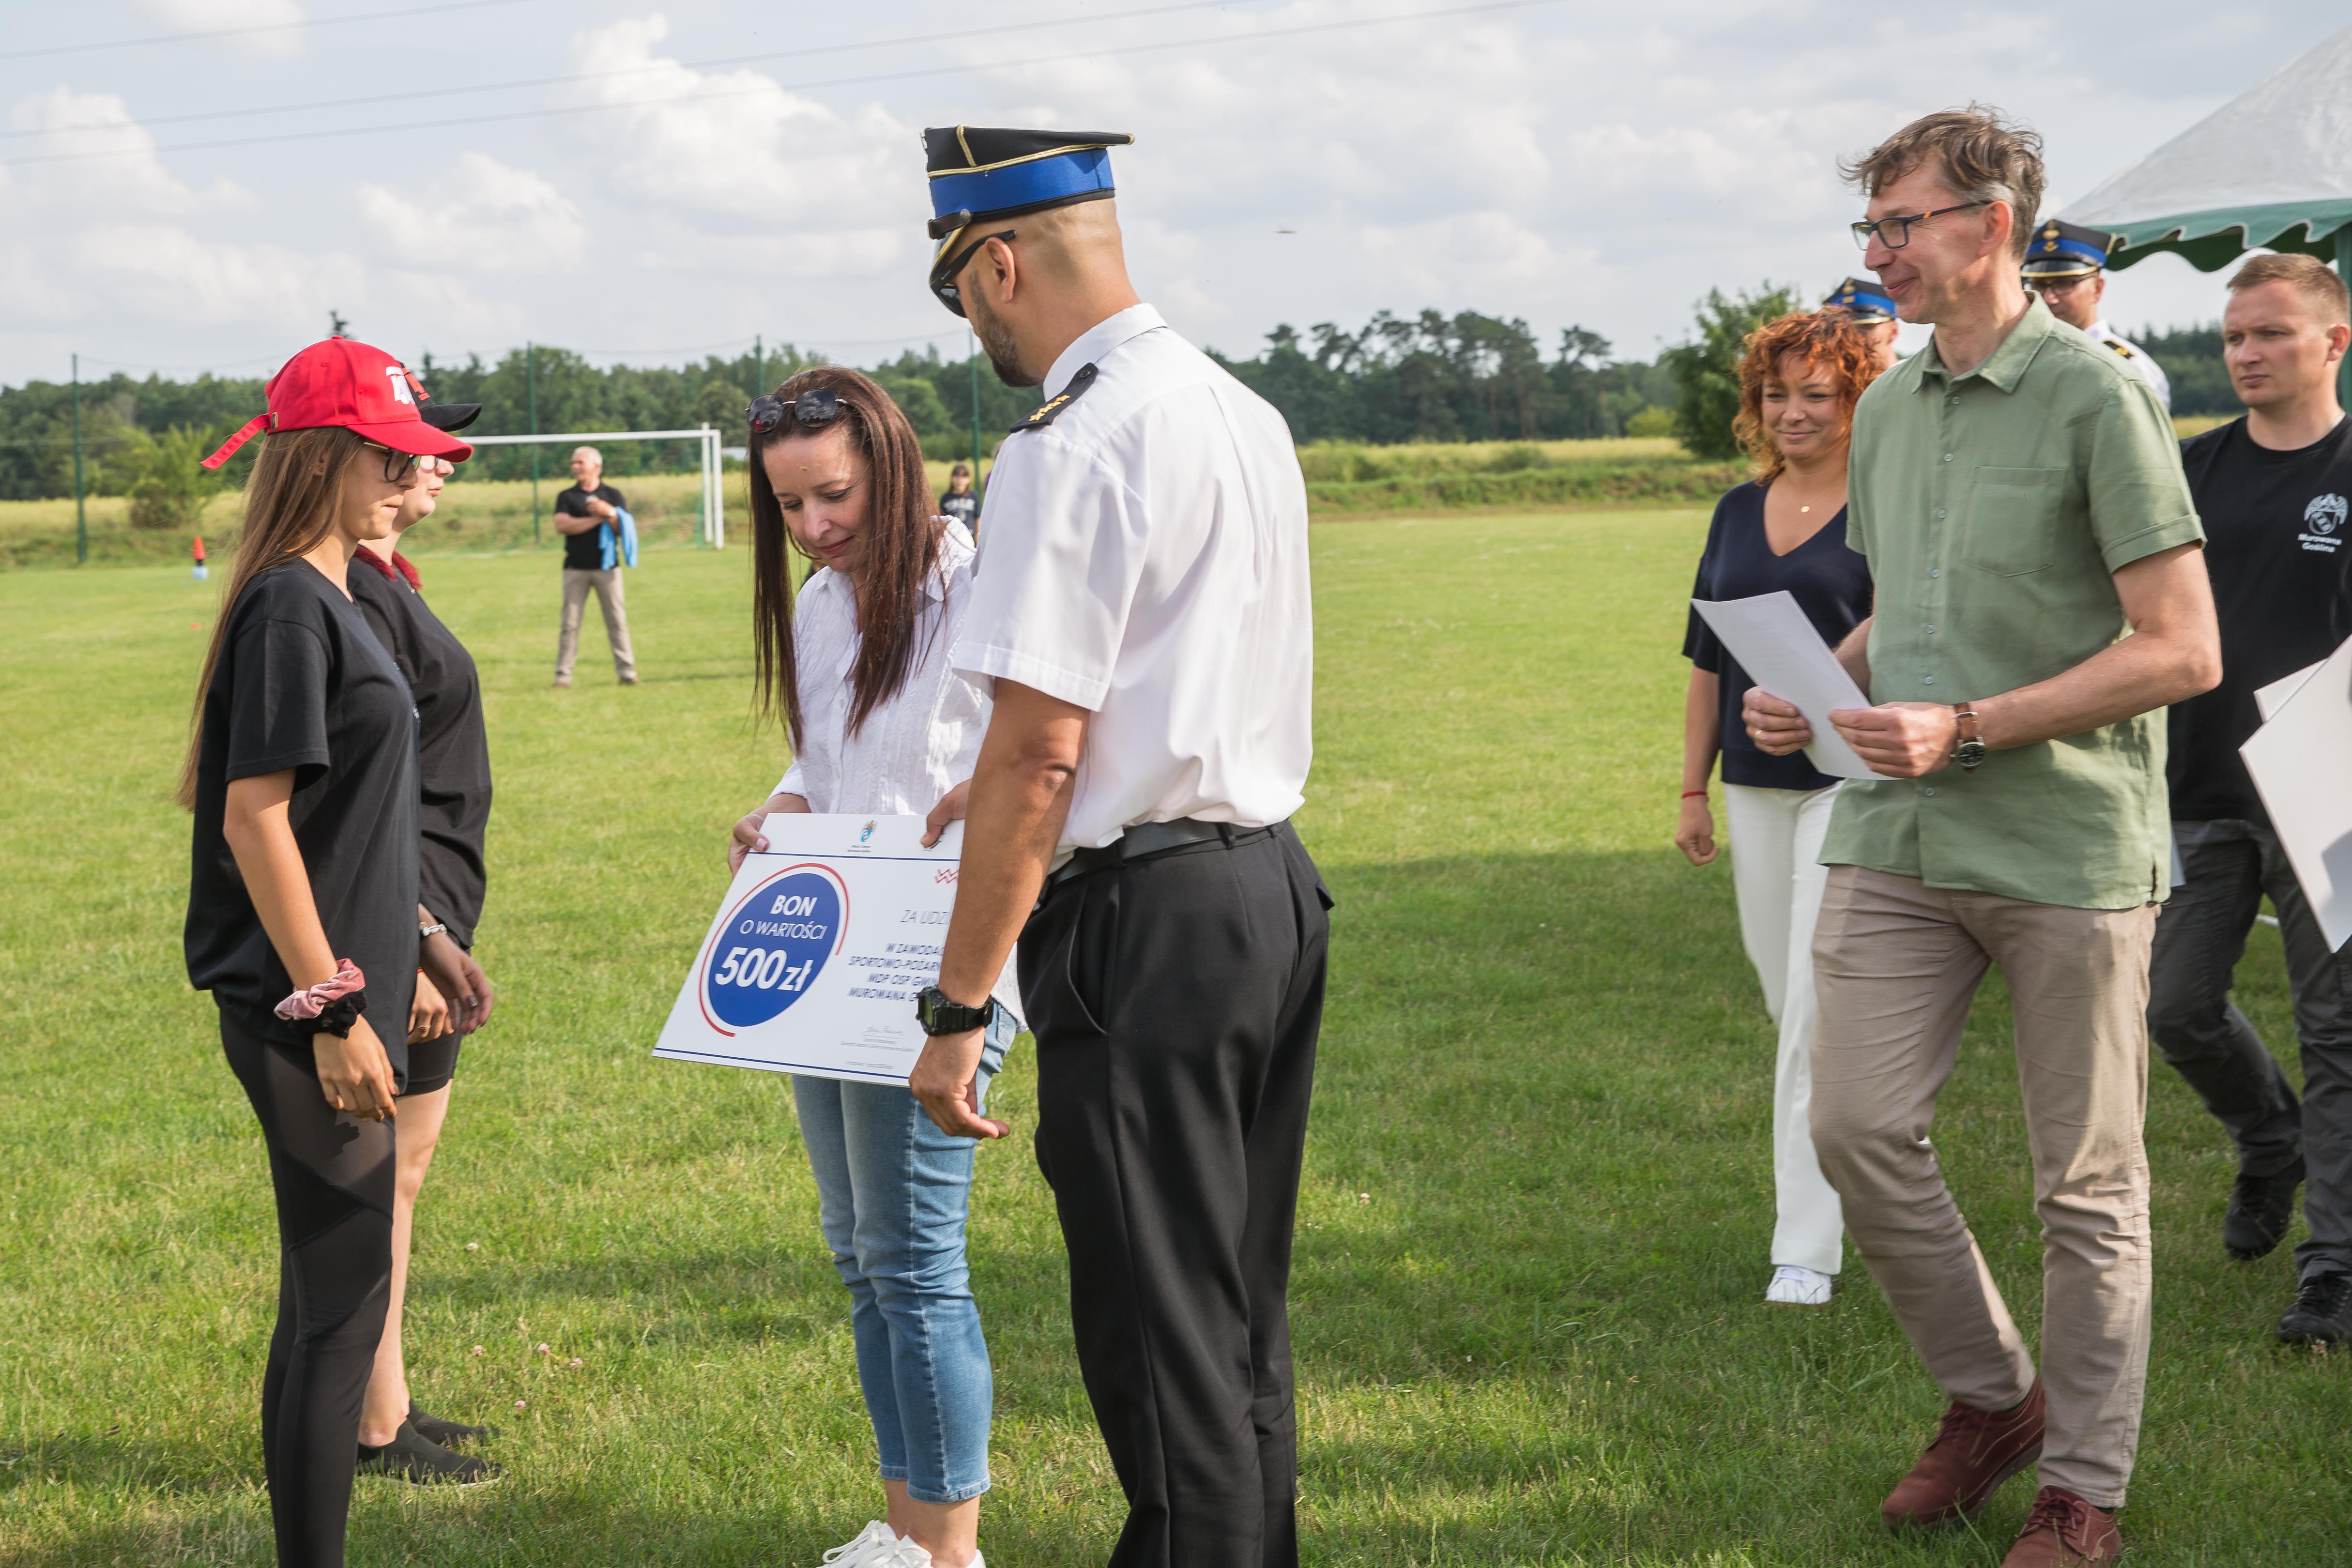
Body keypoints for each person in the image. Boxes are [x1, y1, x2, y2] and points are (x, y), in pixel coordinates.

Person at [1748, 107, 2217, 1567]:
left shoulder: (2093, 398)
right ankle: (1989, 1396)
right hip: (1891, 827)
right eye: (1868, 230)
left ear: (1988, 226)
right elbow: (1917, 607)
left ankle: (2081, 1486)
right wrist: (1825, 690)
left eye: (1896, 226)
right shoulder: (1884, 405)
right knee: (1849, 1126)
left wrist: (1972, 721)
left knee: (2082, 1180)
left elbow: (2179, 647)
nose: (1875, 254)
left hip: (2064, 844)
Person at [905, 125, 1327, 1568]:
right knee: (1233, 1313)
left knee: (1161, 1342)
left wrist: (958, 1009)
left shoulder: (1072, 438)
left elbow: (1038, 753)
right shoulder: (1233, 406)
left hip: (1142, 923)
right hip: (1262, 884)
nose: (971, 322)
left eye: (960, 288)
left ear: (1000, 259)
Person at [182, 337, 473, 1566]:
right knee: (340, 1313)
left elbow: (342, 812)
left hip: (350, 983)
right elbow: (255, 816)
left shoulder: (334, 591)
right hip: (311, 1013)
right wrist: (332, 1006)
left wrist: (419, 935)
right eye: (397, 453)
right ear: (337, 455)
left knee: (325, 1303)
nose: (412, 473)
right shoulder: (292, 605)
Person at [724, 367, 1022, 1568]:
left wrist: (986, 797)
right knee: (861, 1256)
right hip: (836, 962)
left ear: (890, 465)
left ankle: (950, 1551)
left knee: (916, 1258)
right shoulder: (820, 605)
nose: (813, 527)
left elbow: (1035, 760)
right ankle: (903, 1533)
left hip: (944, 960)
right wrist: (774, 813)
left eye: (831, 495)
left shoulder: (986, 587)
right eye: (789, 506)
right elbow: (826, 770)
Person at [2151, 252, 2352, 1347]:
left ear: (2334, 341)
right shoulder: (2195, 471)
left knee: (2338, 1030)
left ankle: (2332, 1268)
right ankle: (2267, 1138)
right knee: (2173, 1006)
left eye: (2270, 332)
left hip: (2330, 791)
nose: (2246, 353)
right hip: (2201, 783)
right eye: (2234, 335)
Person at [1678, 308, 1881, 1308]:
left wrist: (1821, 696)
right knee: (1783, 1000)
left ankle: (1803, 1247)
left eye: (1816, 393)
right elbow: (1703, 660)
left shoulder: (1887, 502)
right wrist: (1689, 788)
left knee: (1807, 1009)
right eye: (1776, 392)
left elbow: (1910, 627)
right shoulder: (1731, 510)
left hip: (1849, 783)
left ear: (1854, 400)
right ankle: (1880, 1148)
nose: (1792, 411)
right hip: (1750, 789)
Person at [343, 380, 503, 1483]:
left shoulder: (383, 579)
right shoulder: (343, 589)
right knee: (376, 1179)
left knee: (402, 1171)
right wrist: (415, 928)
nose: (442, 462)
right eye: (421, 447)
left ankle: (387, 1404)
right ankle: (368, 1424)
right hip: (405, 923)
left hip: (429, 919)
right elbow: (354, 788)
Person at [2021, 220, 2171, 412]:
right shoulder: (2029, 358)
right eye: (2039, 286)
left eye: (2065, 284)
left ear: (2098, 288)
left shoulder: (2128, 367)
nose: (2049, 298)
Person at [551, 444, 639, 688]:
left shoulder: (613, 495)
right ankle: (563, 677)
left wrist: (610, 512)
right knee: (570, 624)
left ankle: (627, 673)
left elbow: (623, 530)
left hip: (609, 568)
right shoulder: (567, 497)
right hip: (575, 568)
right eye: (573, 463)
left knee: (617, 622)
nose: (575, 467)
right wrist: (598, 518)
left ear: (596, 466)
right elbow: (562, 525)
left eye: (580, 463)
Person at [1824, 276, 1902, 370]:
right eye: (1843, 330)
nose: (1853, 337)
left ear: (1894, 331)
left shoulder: (1915, 381)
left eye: (1865, 327)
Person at [938, 461, 980, 530]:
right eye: (957, 476)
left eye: (964, 476)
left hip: (970, 536)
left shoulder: (973, 496)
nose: (960, 480)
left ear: (969, 479)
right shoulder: (946, 498)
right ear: (952, 478)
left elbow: (978, 518)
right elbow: (942, 521)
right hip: (952, 537)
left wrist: (978, 537)